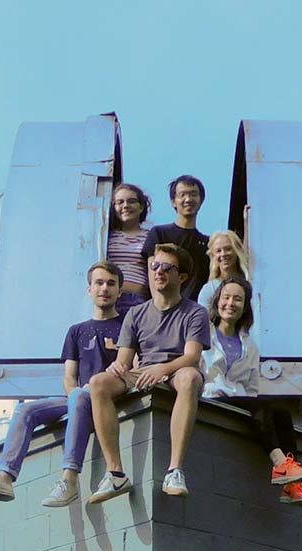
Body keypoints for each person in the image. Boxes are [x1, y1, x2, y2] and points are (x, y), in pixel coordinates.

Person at [0, 262, 126, 507]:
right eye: (99, 283)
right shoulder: (76, 331)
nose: (105, 288)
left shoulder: (126, 325)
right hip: (80, 397)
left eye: (111, 283)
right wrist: (74, 398)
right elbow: (69, 377)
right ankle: (4, 477)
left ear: (119, 291)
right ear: (89, 289)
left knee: (82, 396)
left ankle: (69, 479)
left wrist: (81, 398)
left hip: (108, 398)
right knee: (27, 409)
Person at [87, 243, 209, 502]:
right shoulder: (136, 313)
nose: (159, 272)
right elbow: (124, 359)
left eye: (167, 267)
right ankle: (116, 474)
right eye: (155, 266)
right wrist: (118, 366)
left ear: (182, 277)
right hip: (142, 372)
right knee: (98, 383)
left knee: (190, 377)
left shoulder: (195, 312)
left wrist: (162, 369)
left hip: (175, 370)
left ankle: (174, 470)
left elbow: (192, 356)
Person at [200, 276, 302, 506]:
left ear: (244, 307)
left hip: (240, 398)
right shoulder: (204, 333)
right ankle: (280, 465)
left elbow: (252, 387)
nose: (230, 303)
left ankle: (292, 485)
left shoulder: (249, 345)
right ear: (217, 301)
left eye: (238, 299)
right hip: (212, 395)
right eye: (226, 297)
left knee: (281, 411)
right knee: (261, 405)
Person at [140, 175, 211, 302]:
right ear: (173, 201)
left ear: (201, 200)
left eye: (193, 194)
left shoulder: (208, 243)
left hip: (193, 312)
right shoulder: (159, 233)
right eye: (182, 195)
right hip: (162, 309)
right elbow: (153, 273)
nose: (188, 199)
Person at [107, 183, 152, 315]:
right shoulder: (106, 237)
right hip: (109, 300)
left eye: (131, 201)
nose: (125, 206)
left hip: (137, 301)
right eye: (120, 202)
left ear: (141, 207)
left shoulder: (151, 236)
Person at [196, 227, 251, 313]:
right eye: (218, 251)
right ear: (213, 255)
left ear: (237, 251)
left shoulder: (250, 281)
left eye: (228, 249)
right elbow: (203, 321)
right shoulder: (210, 289)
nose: (223, 254)